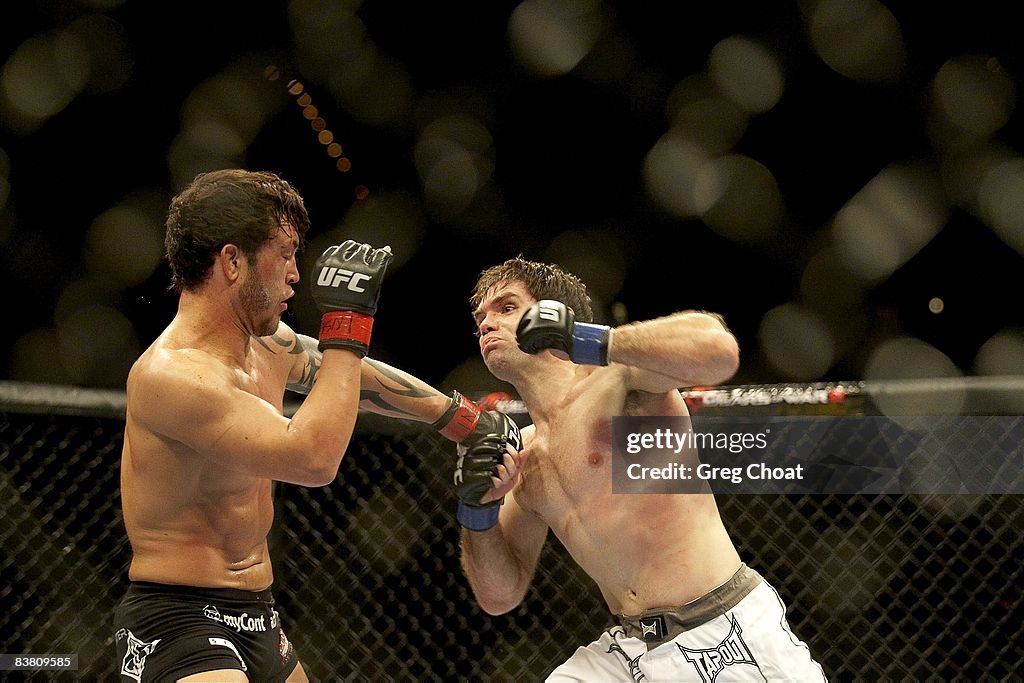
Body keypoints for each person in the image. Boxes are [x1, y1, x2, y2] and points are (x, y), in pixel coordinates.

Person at [113, 169, 501, 682]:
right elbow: (312, 459)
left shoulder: (268, 346)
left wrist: (460, 418)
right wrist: (348, 323)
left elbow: (352, 376)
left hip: (258, 612)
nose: (296, 274)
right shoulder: (173, 375)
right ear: (232, 261)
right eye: (285, 253)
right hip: (177, 618)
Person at [452, 257, 827, 682]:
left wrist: (586, 339)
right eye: (480, 318)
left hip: (722, 629)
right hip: (630, 648)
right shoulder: (522, 456)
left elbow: (719, 351)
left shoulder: (617, 381)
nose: (487, 323)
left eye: (506, 307)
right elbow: (499, 596)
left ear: (552, 313)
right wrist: (477, 510)